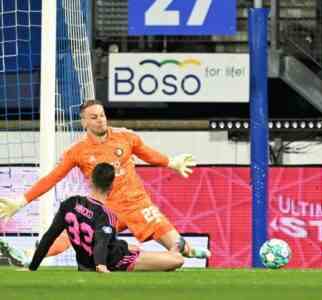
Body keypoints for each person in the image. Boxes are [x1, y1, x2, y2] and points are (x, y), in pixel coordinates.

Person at [0, 100, 209, 261]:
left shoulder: (126, 137)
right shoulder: (77, 151)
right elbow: (52, 178)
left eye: (102, 115)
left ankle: (188, 250)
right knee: (72, 230)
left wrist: (172, 162)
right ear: (84, 122)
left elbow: (148, 154)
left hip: (138, 204)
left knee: (177, 245)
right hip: (106, 209)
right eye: (94, 117)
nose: (100, 119)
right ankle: (27, 255)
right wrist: (21, 201)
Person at [28, 163, 186, 272]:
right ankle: (175, 249)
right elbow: (100, 243)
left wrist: (33, 266)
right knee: (177, 261)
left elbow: (49, 236)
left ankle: (159, 250)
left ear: (90, 181)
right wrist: (101, 265)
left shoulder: (69, 203)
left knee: (133, 247)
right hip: (117, 260)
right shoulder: (107, 215)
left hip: (87, 261)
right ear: (111, 187)